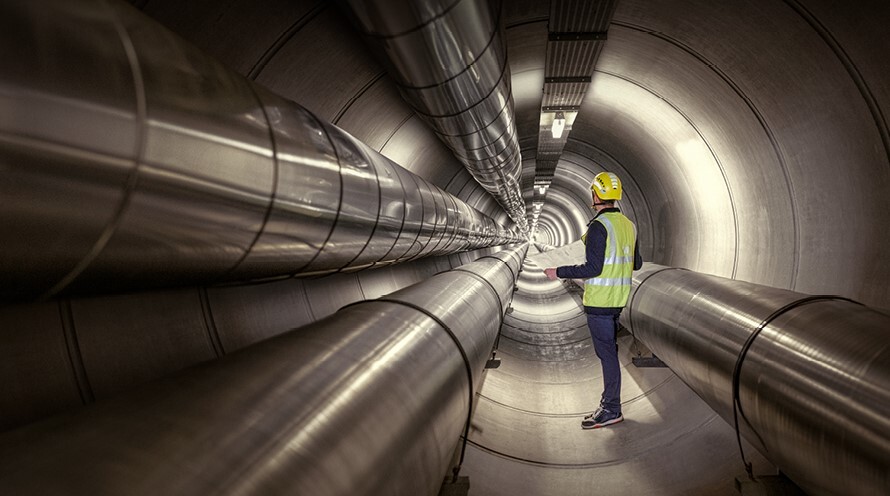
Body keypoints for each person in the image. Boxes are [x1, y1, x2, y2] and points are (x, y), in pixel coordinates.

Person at [544, 172, 642, 429]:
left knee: (607, 355)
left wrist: (559, 271)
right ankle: (611, 405)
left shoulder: (599, 226)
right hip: (618, 300)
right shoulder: (628, 225)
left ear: (596, 195)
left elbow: (594, 268)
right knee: (610, 352)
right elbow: (637, 262)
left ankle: (611, 409)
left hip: (599, 302)